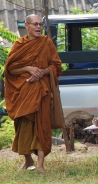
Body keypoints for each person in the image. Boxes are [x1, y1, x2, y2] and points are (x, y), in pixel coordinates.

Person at [4, 14, 63, 174]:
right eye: (35, 24)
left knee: (42, 125)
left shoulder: (46, 43)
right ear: (27, 26)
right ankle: (28, 160)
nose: (38, 27)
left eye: (41, 25)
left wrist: (42, 72)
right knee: (23, 125)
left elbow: (56, 66)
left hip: (41, 92)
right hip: (24, 92)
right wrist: (28, 69)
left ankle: (41, 165)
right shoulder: (19, 45)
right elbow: (10, 69)